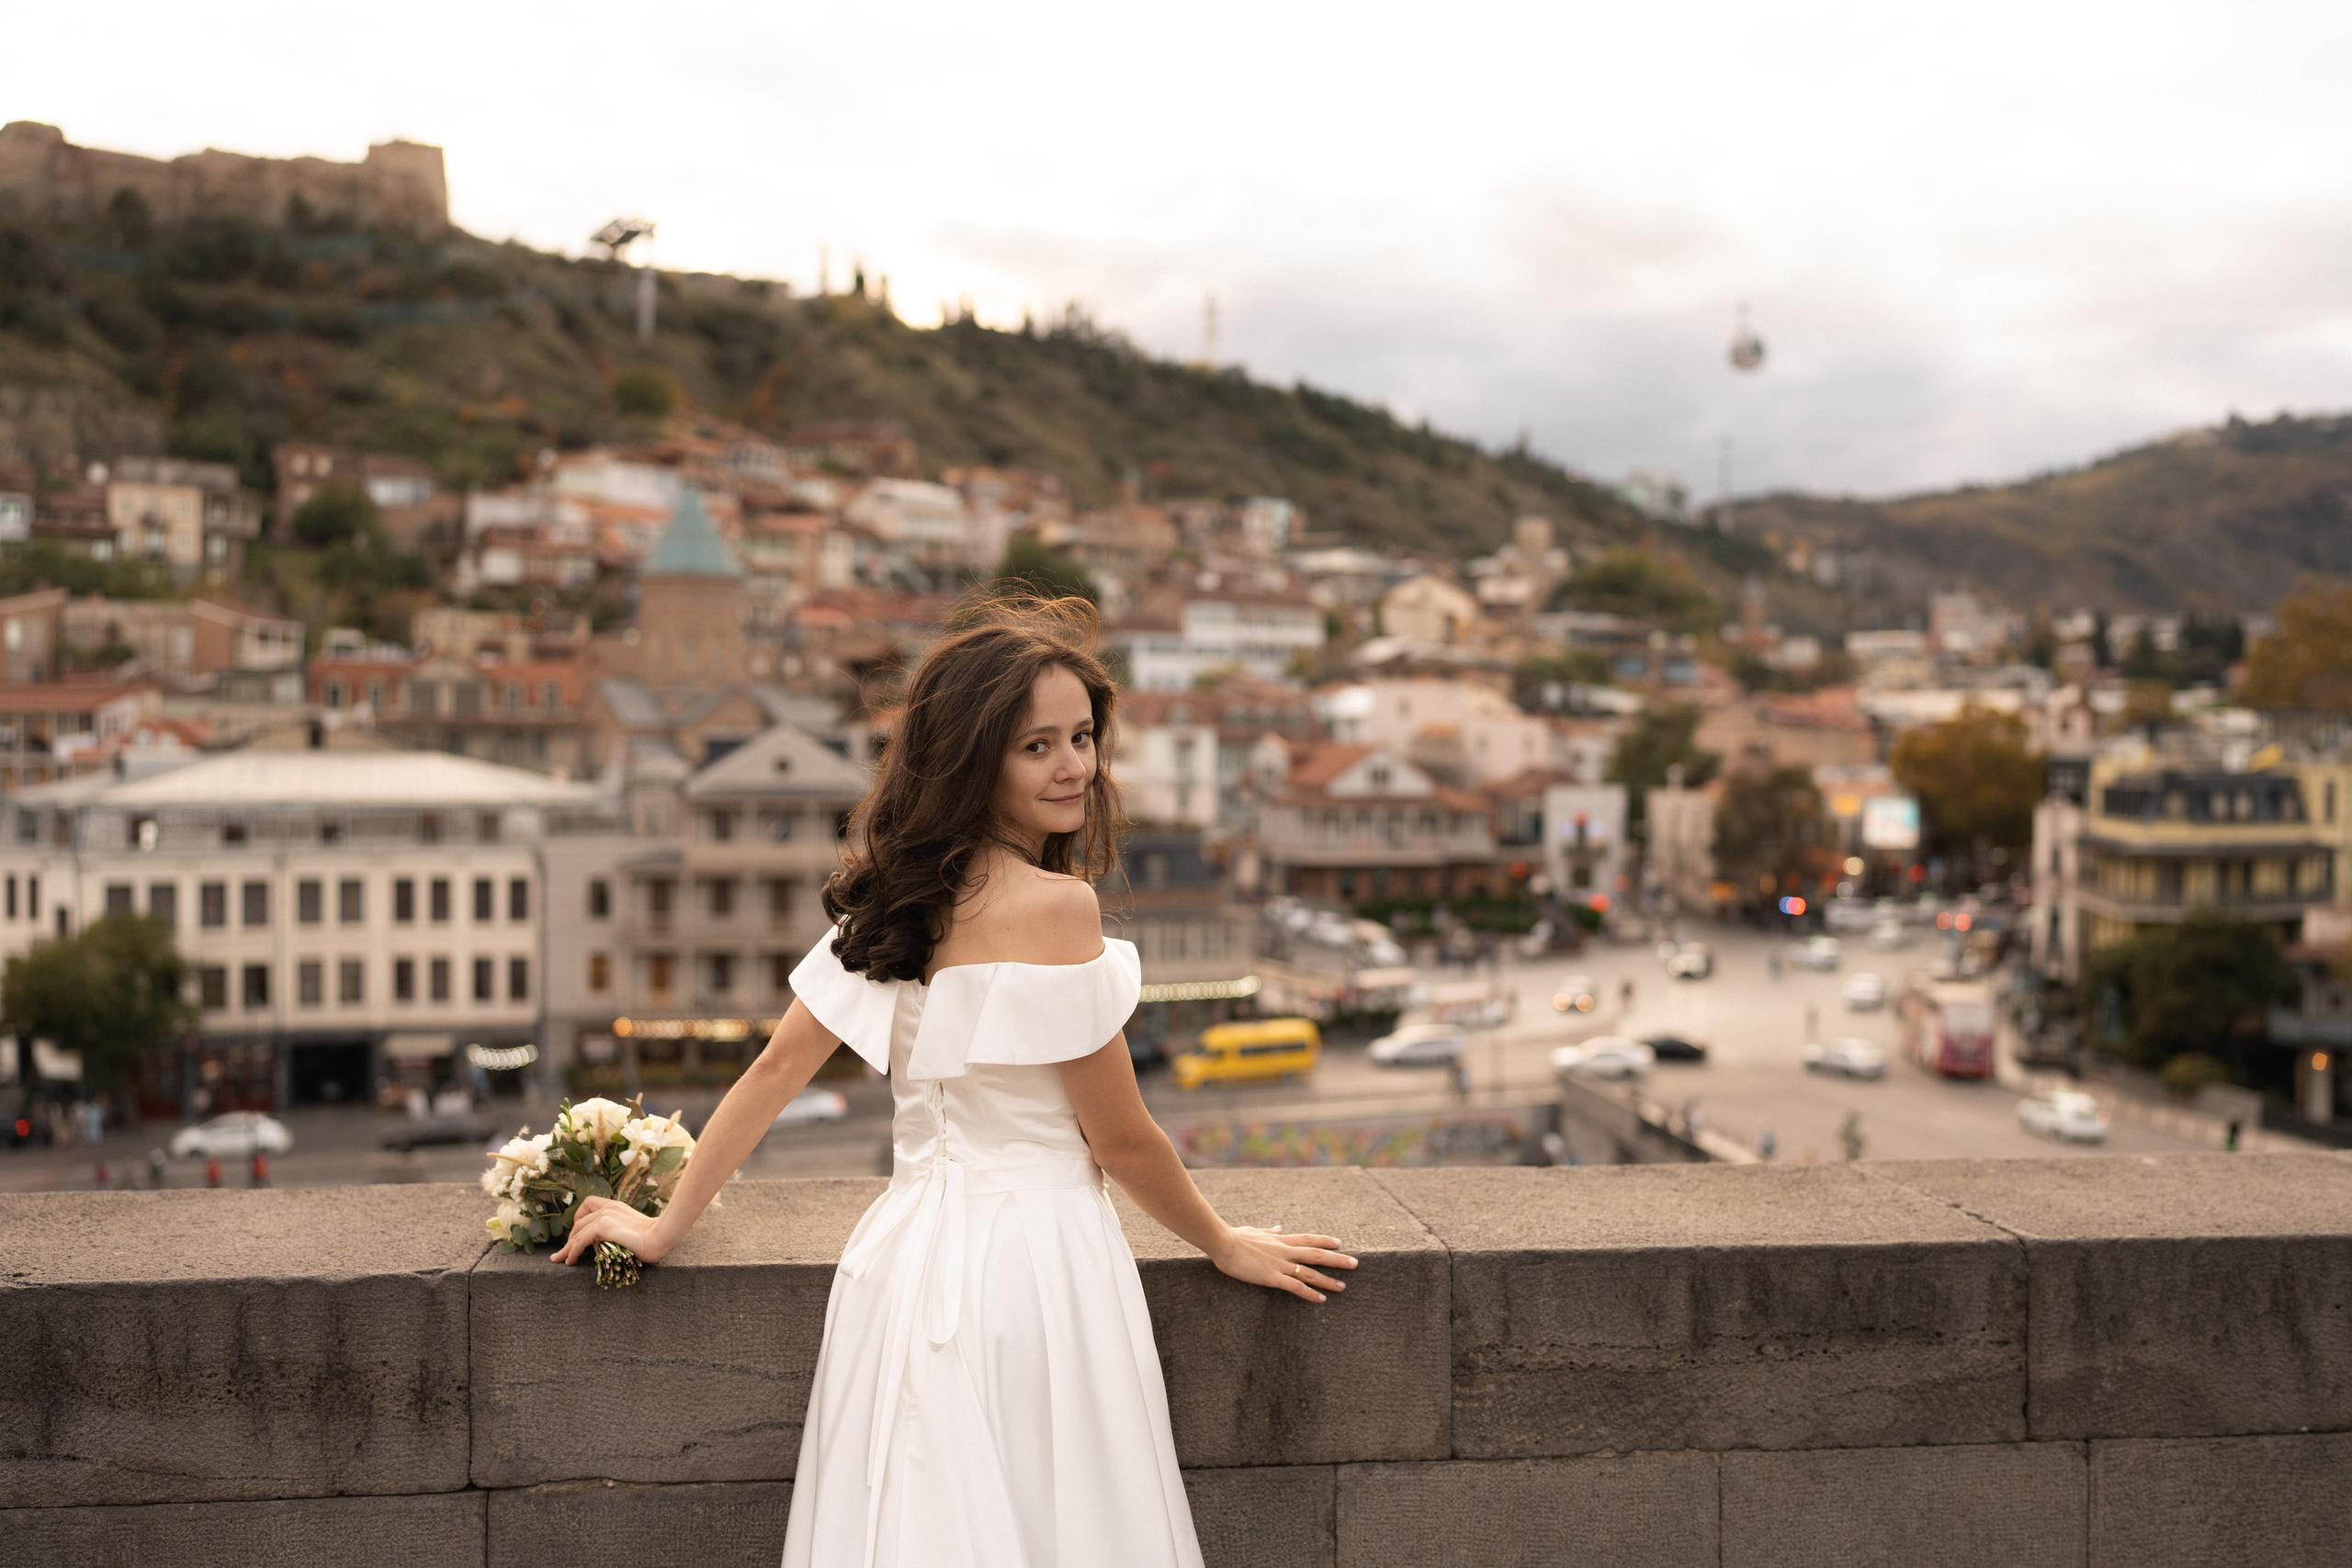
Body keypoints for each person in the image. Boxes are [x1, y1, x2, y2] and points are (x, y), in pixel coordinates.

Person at [551, 599, 1355, 1567]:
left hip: (898, 1266)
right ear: (975, 762)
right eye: (1037, 746)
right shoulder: (1061, 909)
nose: (1074, 766)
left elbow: (771, 1072)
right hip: (1039, 1270)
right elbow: (1122, 1141)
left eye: (1083, 737)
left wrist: (663, 1225)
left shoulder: (896, 897)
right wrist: (1222, 1242)